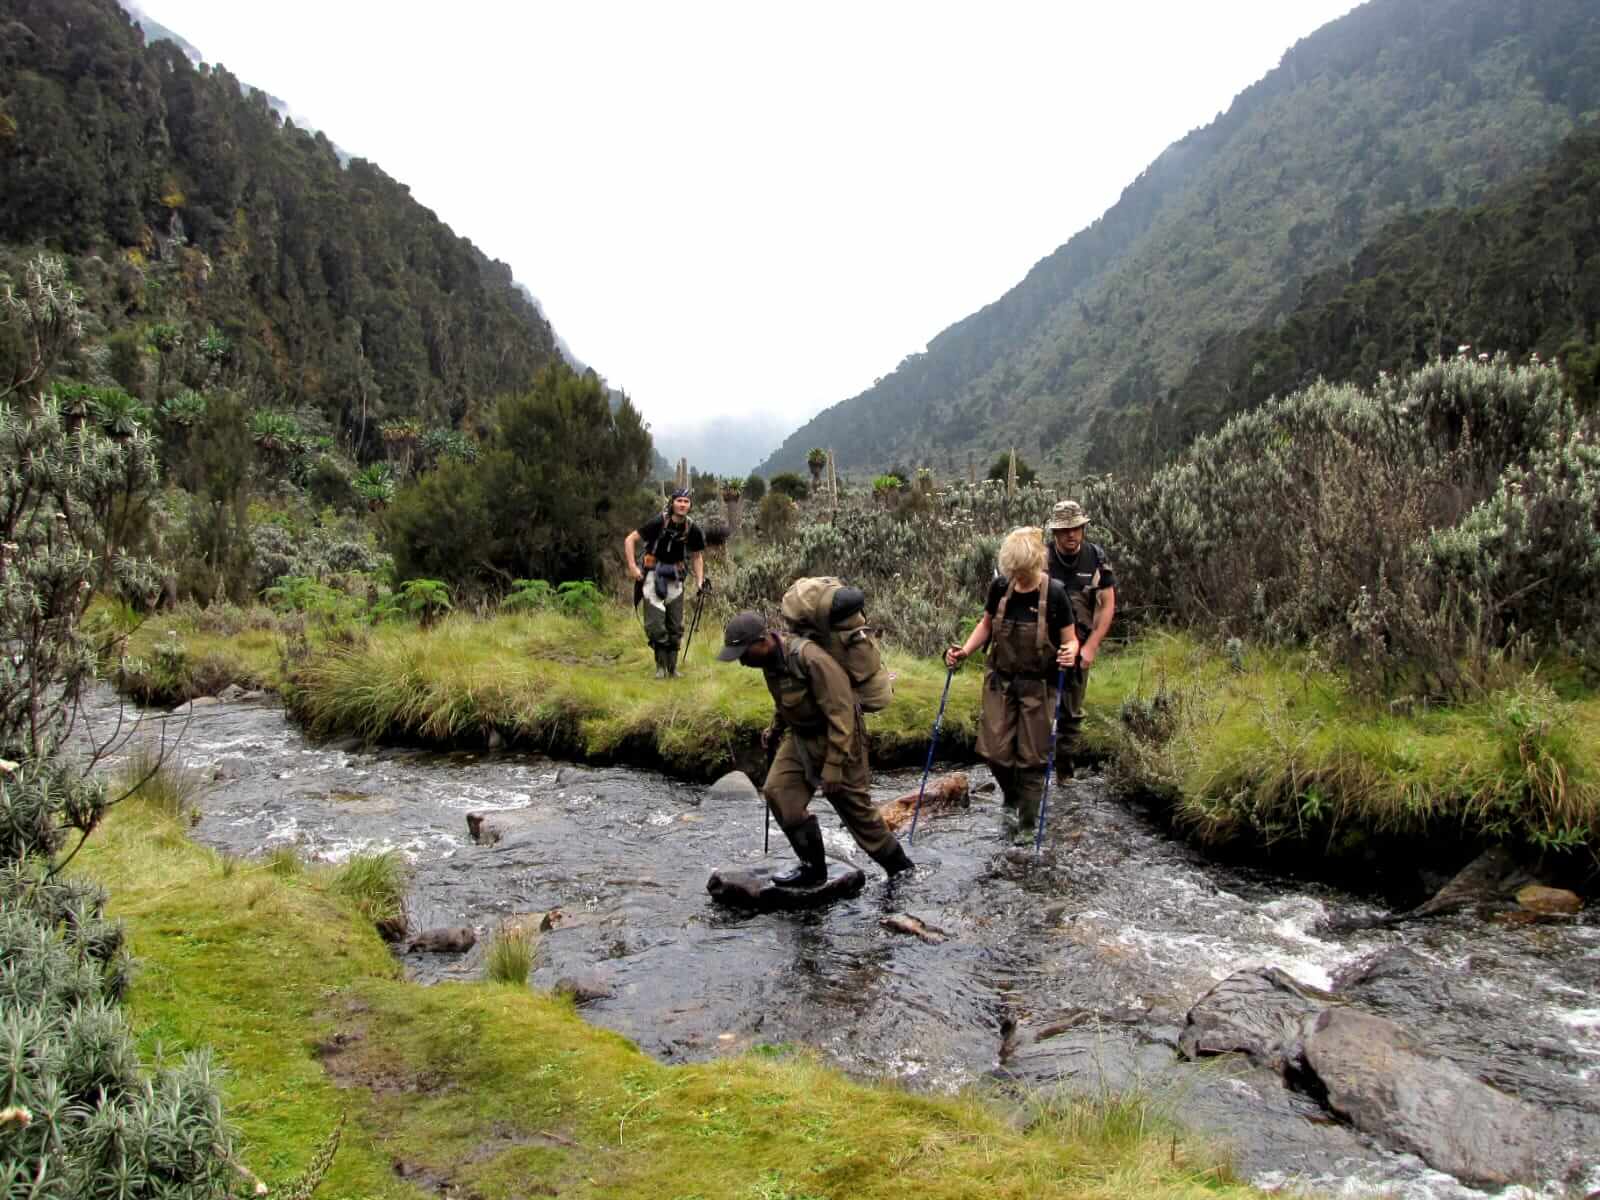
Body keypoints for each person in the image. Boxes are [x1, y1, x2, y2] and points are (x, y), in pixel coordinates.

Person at [717, 611, 914, 885]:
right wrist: (774, 731)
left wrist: (833, 766)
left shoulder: (810, 659)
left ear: (762, 641)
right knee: (778, 792)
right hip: (800, 738)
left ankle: (902, 871)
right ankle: (813, 869)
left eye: (742, 653)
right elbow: (785, 701)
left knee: (858, 816)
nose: (741, 661)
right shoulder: (768, 662)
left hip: (840, 739)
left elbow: (842, 714)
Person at [945, 527, 1077, 843]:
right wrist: (964, 650)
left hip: (1039, 687)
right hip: (1000, 683)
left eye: (1022, 572)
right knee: (994, 752)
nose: (1017, 578)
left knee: (1032, 759)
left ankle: (1028, 825)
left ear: (1035, 565)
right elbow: (987, 624)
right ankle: (1012, 795)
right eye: (1012, 572)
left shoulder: (1055, 594)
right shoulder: (1000, 587)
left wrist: (1071, 652)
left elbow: (1070, 640)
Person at [1044, 500, 1117, 763]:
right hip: (1046, 648)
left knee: (1071, 715)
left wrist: (1091, 647)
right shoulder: (1042, 559)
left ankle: (1065, 774)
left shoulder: (1096, 557)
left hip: (1082, 646)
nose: (1071, 534)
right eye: (1064, 530)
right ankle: (1035, 777)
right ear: (1054, 532)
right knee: (1040, 712)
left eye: (1076, 528)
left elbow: (1107, 605)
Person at [623, 488, 707, 678]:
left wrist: (700, 581)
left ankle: (672, 669)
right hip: (652, 575)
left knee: (675, 626)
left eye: (686, 502)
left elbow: (697, 556)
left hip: (676, 578)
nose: (683, 505)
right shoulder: (659, 521)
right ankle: (660, 668)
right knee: (655, 624)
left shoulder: (692, 528)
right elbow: (630, 539)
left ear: (690, 505)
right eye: (679, 501)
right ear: (672, 503)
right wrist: (632, 567)